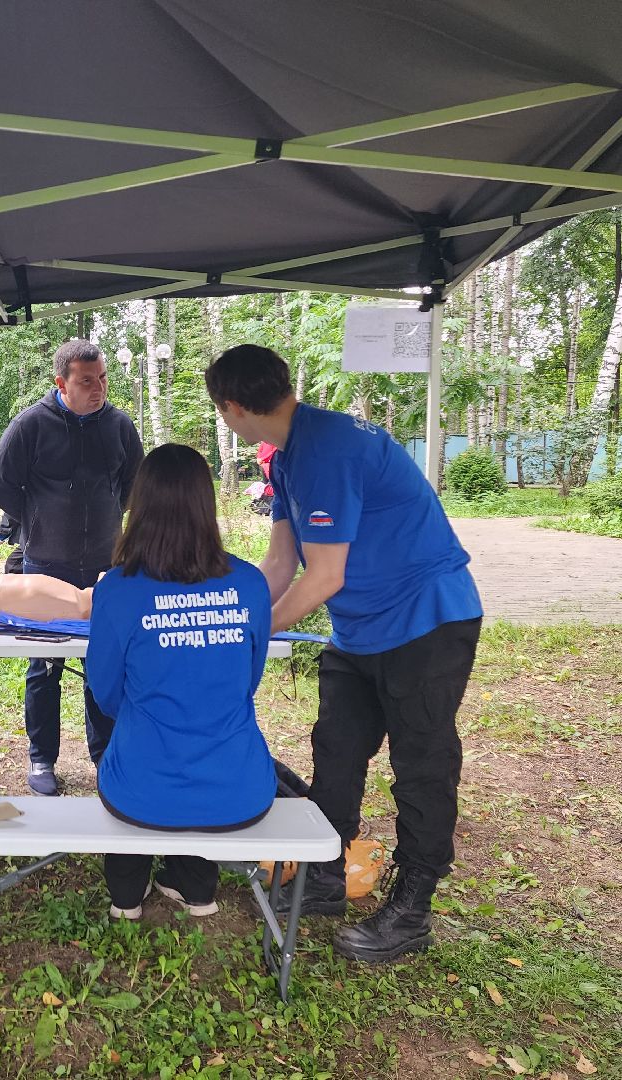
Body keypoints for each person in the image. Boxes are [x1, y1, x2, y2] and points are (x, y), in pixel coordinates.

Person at [205, 343, 483, 964]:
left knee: (422, 759)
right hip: (360, 630)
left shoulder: (329, 447)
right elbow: (280, 564)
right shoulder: (288, 456)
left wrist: (250, 639)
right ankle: (324, 874)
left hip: (425, 621)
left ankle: (413, 905)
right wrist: (230, 617)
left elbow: (323, 577)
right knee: (336, 749)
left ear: (231, 407)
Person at [87, 444, 275, 918]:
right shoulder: (251, 584)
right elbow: (246, 682)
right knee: (191, 736)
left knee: (134, 754)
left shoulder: (116, 587)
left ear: (139, 506)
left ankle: (126, 896)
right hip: (239, 789)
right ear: (206, 505)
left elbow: (104, 692)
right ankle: (196, 888)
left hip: (140, 792)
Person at [0, 339, 144, 796]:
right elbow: (2, 486)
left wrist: (115, 521)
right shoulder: (31, 425)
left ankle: (105, 757)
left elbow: (135, 485)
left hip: (104, 565)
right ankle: (42, 757)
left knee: (105, 661)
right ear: (61, 383)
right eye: (86, 381)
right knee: (45, 663)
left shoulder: (118, 425)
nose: (98, 389)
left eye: (102, 379)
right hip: (43, 565)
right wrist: (38, 520)